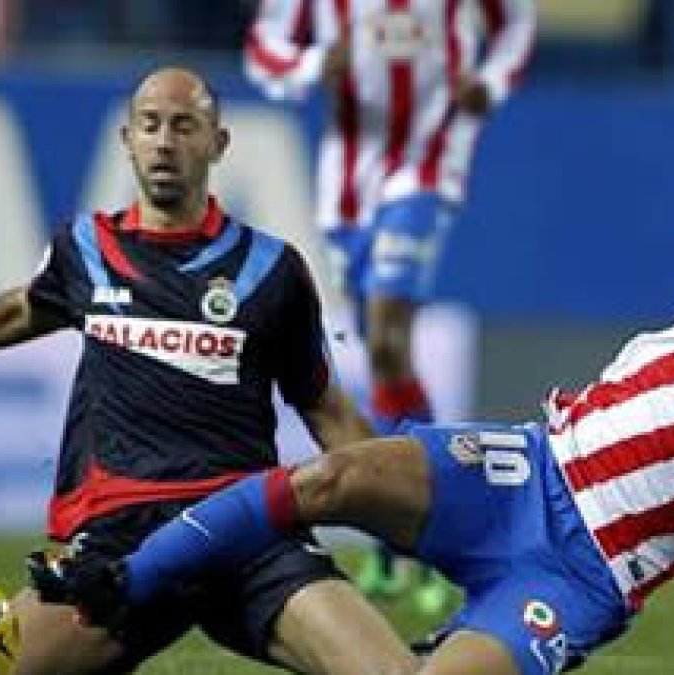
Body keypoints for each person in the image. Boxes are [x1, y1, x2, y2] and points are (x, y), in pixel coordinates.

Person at [32, 217, 674, 675]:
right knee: (330, 476)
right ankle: (128, 577)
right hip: (527, 468)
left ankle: (443, 641)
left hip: (586, 578)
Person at [0, 67, 416, 674]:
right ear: (126, 139)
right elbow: (20, 309)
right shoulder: (85, 249)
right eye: (150, 125)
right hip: (121, 540)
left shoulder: (272, 271)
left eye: (184, 126)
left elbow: (326, 409)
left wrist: (413, 511)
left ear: (217, 143)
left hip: (244, 526)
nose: (165, 141)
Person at [245, 0, 536, 612]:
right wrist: (320, 62)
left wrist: (488, 82)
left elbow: (515, 20)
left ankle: (439, 522)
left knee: (385, 339)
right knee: (383, 365)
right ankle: (398, 537)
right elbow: (264, 49)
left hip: (430, 162)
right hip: (347, 182)